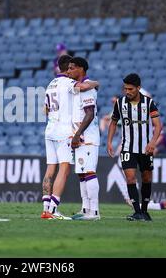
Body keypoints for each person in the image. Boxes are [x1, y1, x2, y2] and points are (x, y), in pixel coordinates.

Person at [41, 55, 98, 220]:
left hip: (49, 130)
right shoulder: (69, 83)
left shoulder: (50, 84)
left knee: (50, 169)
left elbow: (45, 109)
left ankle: (45, 207)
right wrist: (96, 83)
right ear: (68, 69)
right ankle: (53, 210)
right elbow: (85, 86)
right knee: (64, 170)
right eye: (71, 68)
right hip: (62, 131)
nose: (72, 70)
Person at [107, 73, 162, 221]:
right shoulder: (120, 103)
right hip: (128, 148)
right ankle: (137, 212)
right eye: (125, 89)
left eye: (130, 89)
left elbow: (158, 126)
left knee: (146, 178)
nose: (127, 92)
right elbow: (113, 123)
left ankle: (144, 211)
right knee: (130, 179)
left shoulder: (149, 103)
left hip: (145, 148)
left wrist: (153, 143)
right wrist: (109, 142)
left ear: (138, 88)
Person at [67, 57, 101, 221]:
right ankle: (85, 208)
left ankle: (94, 212)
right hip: (79, 138)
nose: (69, 71)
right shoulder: (78, 88)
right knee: (81, 174)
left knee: (88, 172)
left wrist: (78, 134)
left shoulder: (87, 89)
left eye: (72, 68)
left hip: (87, 138)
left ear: (81, 69)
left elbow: (89, 114)